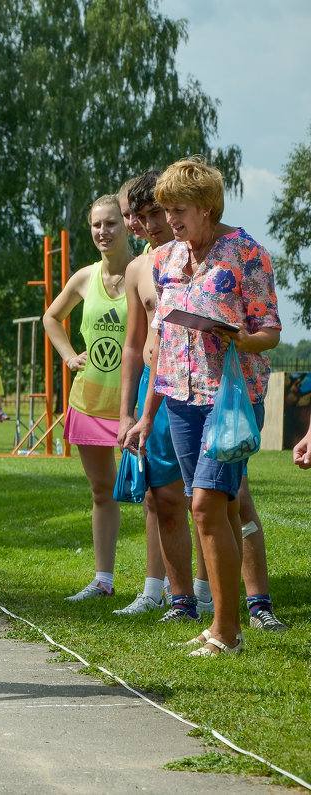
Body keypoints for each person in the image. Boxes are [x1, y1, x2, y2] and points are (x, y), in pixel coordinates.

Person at [124, 158, 281, 657]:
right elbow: (161, 341)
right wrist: (147, 413)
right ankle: (226, 625)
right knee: (217, 507)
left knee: (206, 504)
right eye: (165, 210)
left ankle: (226, 632)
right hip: (178, 397)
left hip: (231, 399)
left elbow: (270, 333)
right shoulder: (165, 258)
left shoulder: (247, 253)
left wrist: (233, 336)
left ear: (208, 207)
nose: (170, 220)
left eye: (179, 209)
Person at [45, 194, 131, 602]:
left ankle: (165, 587)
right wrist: (67, 356)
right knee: (102, 492)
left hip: (135, 405)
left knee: (158, 495)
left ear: (127, 225)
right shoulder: (84, 277)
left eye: (111, 223)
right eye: (97, 225)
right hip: (89, 404)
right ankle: (104, 581)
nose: (103, 232)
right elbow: (51, 317)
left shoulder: (144, 272)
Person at [116, 170, 195, 618]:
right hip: (153, 386)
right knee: (159, 495)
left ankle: (206, 592)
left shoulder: (197, 255)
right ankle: (165, 593)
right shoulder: (139, 267)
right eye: (139, 215)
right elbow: (134, 343)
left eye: (153, 213)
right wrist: (125, 411)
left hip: (196, 383)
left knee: (214, 496)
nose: (147, 224)